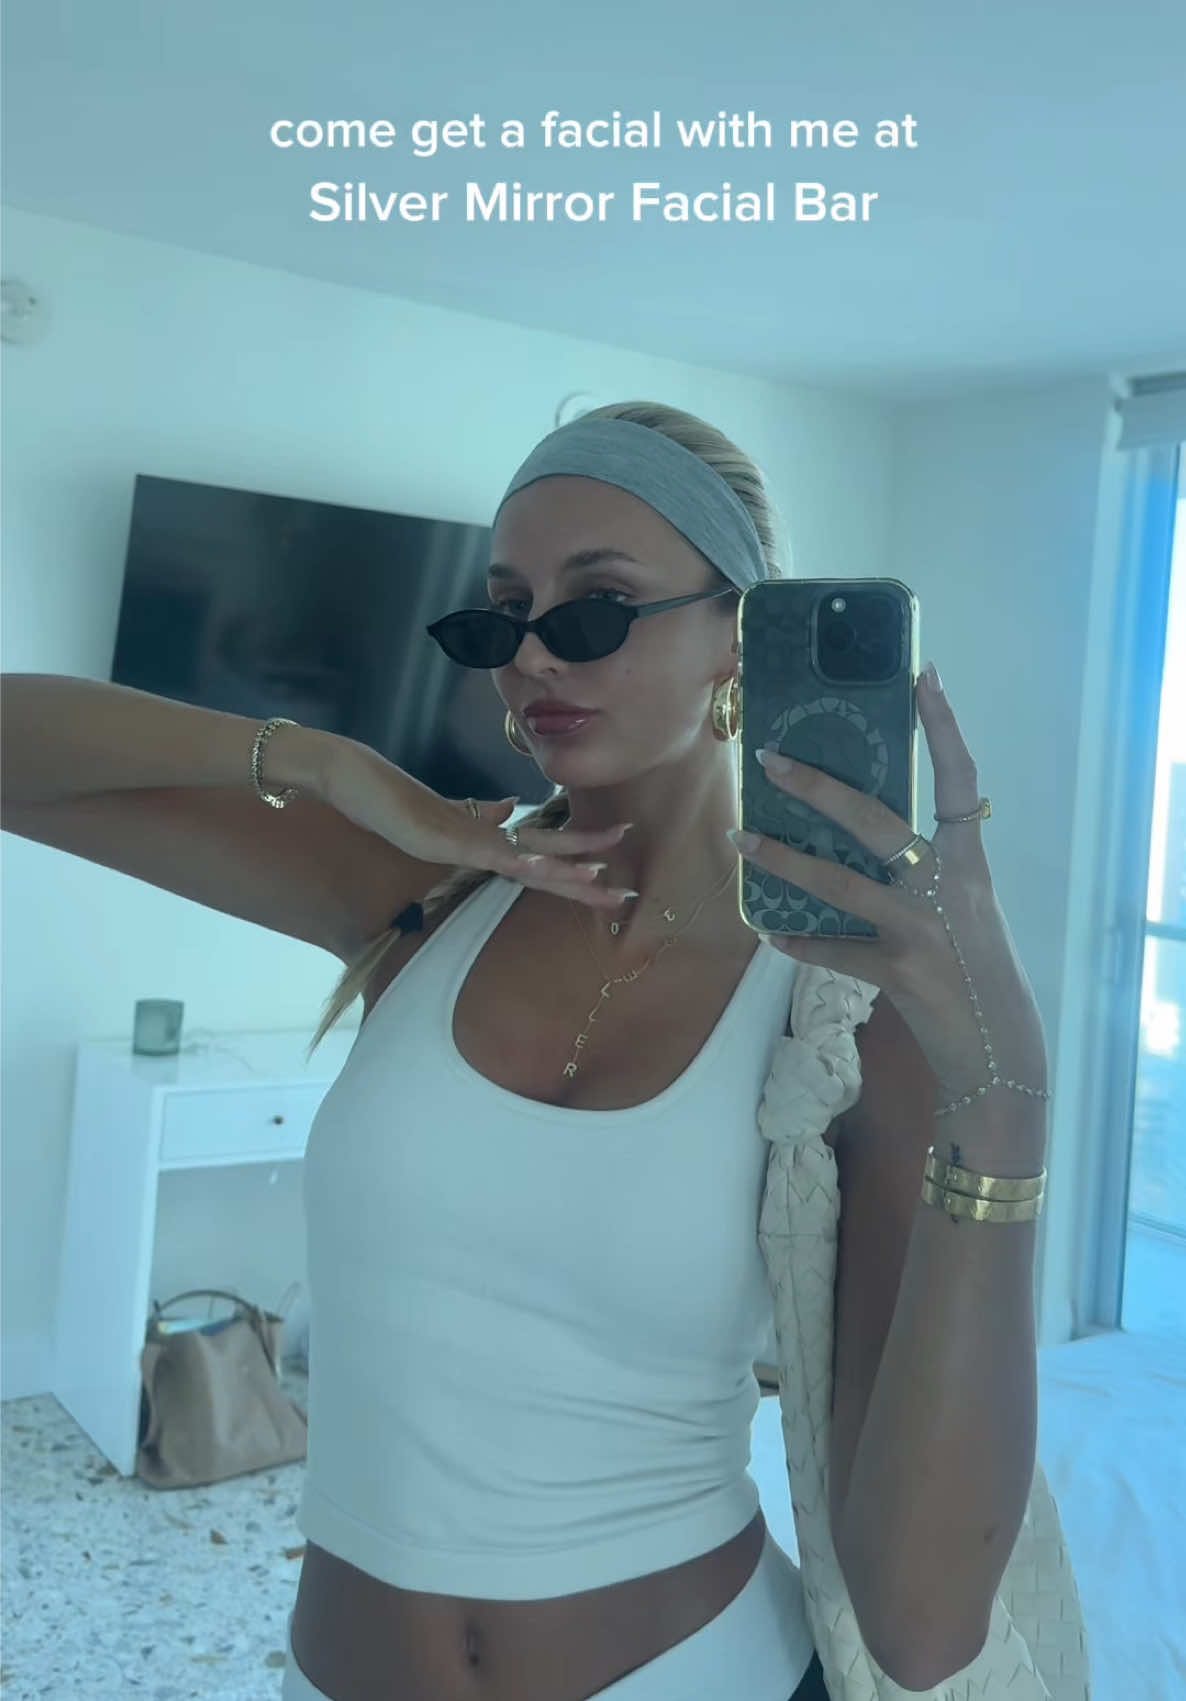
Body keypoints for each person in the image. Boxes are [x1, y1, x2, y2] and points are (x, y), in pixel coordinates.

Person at [1, 399, 1049, 1701]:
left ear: (741, 631)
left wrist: (1007, 1101)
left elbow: (919, 1624)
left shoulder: (838, 1002)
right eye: (502, 615)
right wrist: (318, 762)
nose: (532, 656)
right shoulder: (424, 886)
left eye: (596, 607)